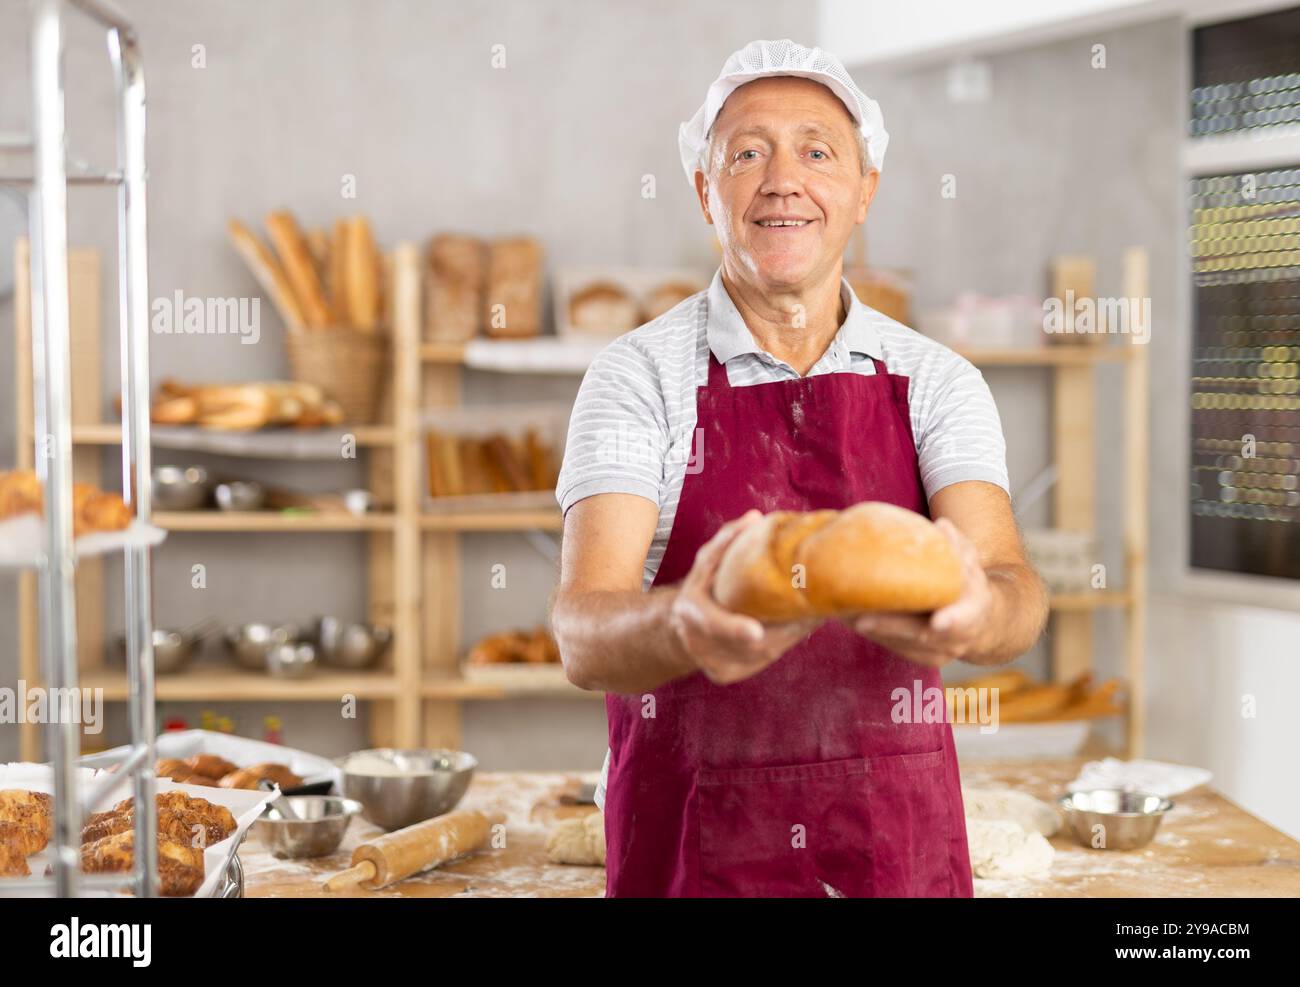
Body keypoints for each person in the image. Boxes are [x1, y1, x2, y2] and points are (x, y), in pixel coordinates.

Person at [551, 39, 1048, 897]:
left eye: (818, 151)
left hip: (894, 846)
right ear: (707, 192)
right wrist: (683, 627)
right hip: (691, 850)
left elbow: (1014, 589)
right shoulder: (635, 376)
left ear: (865, 191)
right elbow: (582, 629)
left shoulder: (935, 381)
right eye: (747, 154)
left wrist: (977, 615)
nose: (783, 178)